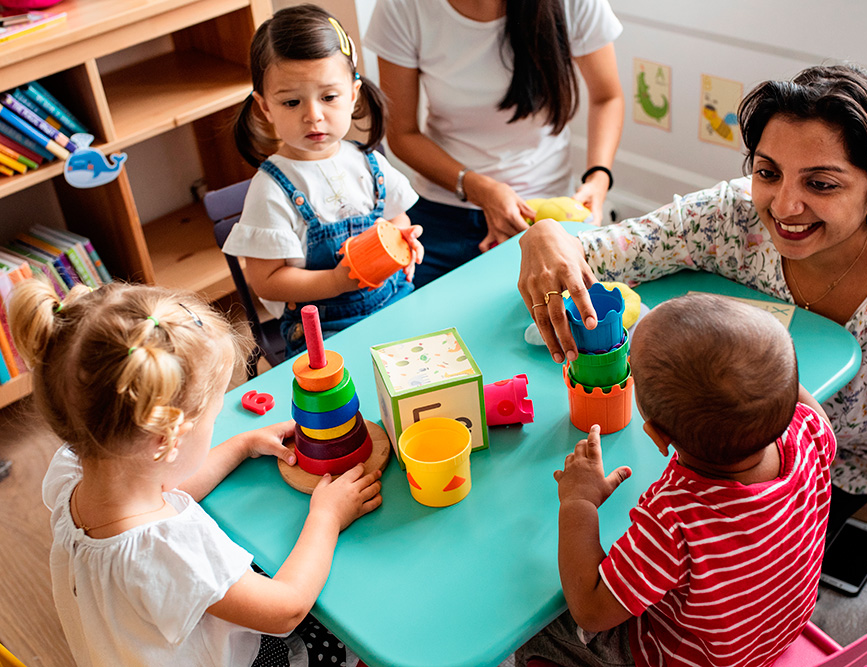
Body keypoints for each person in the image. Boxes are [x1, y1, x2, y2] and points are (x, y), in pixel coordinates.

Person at [517, 64, 867, 667]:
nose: (784, 205)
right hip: (777, 463)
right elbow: (608, 249)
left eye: (821, 183)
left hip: (836, 474)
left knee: (565, 575)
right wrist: (547, 235)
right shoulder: (733, 217)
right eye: (767, 173)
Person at [10, 280, 382, 666]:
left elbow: (165, 485)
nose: (217, 424)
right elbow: (285, 608)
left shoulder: (74, 471)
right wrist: (327, 516)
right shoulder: (169, 549)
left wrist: (240, 445)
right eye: (213, 417)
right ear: (167, 440)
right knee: (340, 639)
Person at [517, 293, 837, 667]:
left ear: (656, 436)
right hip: (769, 637)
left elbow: (590, 608)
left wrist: (579, 503)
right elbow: (796, 400)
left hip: (691, 659)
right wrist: (763, 367)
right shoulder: (809, 431)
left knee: (540, 626)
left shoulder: (674, 519)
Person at [365, 0, 624, 287]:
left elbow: (607, 97)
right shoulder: (402, 7)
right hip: (444, 211)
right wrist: (480, 188)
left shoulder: (573, 5)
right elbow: (402, 133)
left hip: (546, 212)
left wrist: (599, 178)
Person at [227, 4, 424, 356]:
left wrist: (402, 241)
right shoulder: (272, 190)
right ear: (264, 107)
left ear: (353, 94)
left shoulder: (368, 162)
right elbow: (266, 281)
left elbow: (396, 217)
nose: (313, 116)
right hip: (325, 332)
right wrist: (335, 281)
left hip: (396, 303)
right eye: (291, 102)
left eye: (329, 97)